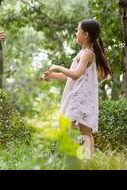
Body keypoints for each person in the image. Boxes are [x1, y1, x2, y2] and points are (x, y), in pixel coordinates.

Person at [42, 19, 111, 159]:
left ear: (85, 34)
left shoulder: (87, 54)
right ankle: (85, 160)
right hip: (79, 97)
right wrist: (53, 75)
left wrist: (58, 66)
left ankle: (63, 158)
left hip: (79, 98)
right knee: (84, 130)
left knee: (67, 128)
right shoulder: (83, 53)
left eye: (77, 30)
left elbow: (75, 75)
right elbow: (70, 76)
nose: (76, 33)